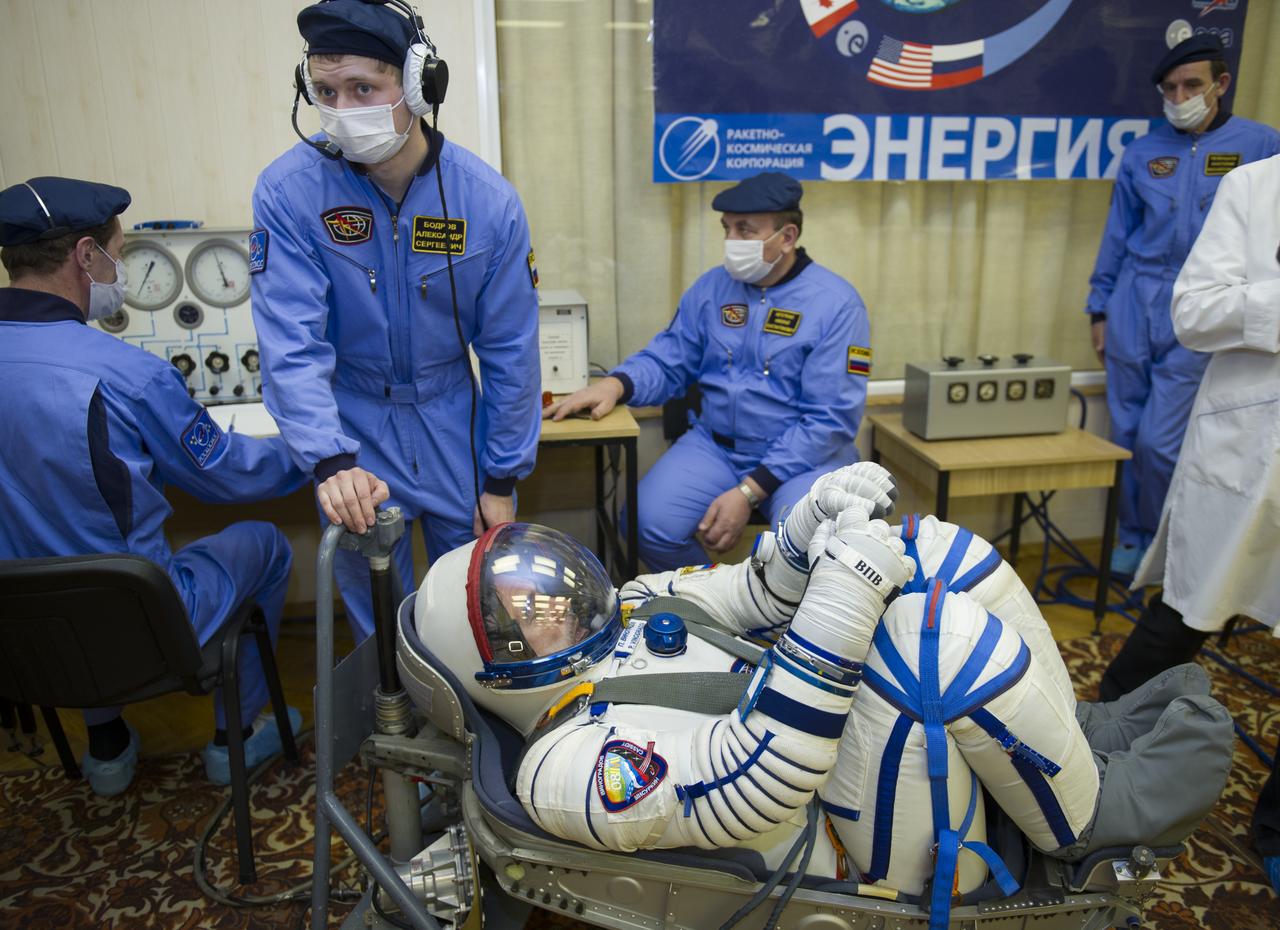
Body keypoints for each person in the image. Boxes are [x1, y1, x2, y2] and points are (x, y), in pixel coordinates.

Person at [402, 463, 1230, 910]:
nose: (558, 606)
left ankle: (1072, 746)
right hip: (834, 846)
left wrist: (810, 526)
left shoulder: (622, 613)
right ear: (492, 667)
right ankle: (1088, 824)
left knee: (937, 550)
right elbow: (753, 781)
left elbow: (752, 595)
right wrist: (844, 598)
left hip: (839, 774)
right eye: (523, 614)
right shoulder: (562, 768)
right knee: (921, 642)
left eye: (543, 584)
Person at [0, 177, 305, 795]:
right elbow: (223, 473)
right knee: (265, 544)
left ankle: (107, 747)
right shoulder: (126, 374)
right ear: (87, 256)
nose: (120, 270)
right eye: (118, 252)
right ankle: (235, 739)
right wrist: (315, 454)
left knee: (56, 558)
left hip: (23, 645)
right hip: (144, 631)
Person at [250, 0, 541, 641]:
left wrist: (501, 475)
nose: (344, 109)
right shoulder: (290, 191)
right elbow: (290, 341)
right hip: (353, 425)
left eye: (364, 88)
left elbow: (510, 350)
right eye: (326, 91)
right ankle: (389, 731)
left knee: (468, 610)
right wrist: (329, 460)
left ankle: (467, 729)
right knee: (379, 617)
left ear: (415, 87)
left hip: (451, 424)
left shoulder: (486, 203)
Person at [1103, 152, 1280, 891]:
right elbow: (1195, 313)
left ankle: (1273, 829)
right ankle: (1081, 747)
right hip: (1253, 450)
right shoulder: (1254, 185)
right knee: (1184, 616)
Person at [544, 172, 871, 572]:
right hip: (716, 446)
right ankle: (716, 608)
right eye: (727, 229)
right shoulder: (713, 288)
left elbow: (830, 420)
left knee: (812, 546)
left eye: (745, 230)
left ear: (787, 237)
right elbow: (670, 357)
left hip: (806, 457)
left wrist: (748, 491)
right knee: (646, 523)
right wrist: (617, 384)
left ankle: (772, 621)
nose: (731, 241)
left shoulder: (837, 305)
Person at [1083, 33, 1280, 574]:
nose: (1179, 96)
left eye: (1191, 84)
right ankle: (1128, 535)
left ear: (1221, 83)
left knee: (1159, 442)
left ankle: (1164, 544)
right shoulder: (1143, 152)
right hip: (1134, 296)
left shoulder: (1262, 146)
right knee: (1122, 436)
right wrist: (1099, 309)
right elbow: (1118, 234)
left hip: (1203, 304)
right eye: (1169, 88)